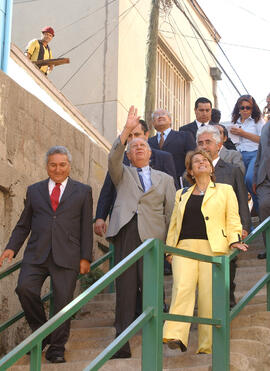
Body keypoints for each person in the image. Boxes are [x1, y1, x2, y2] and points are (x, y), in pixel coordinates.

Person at [0, 146, 93, 363]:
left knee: (63, 302)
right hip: (36, 254)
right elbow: (24, 224)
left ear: (69, 166)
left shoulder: (83, 191)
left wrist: (85, 257)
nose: (58, 169)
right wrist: (12, 247)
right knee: (24, 288)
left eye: (62, 164)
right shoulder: (34, 190)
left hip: (68, 255)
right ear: (47, 166)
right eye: (53, 165)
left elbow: (85, 228)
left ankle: (56, 349)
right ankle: (42, 332)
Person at [163, 149, 248, 354]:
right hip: (184, 248)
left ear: (211, 167)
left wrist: (234, 239)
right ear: (190, 171)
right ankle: (175, 334)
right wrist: (169, 250)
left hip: (214, 248)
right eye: (196, 161)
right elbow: (174, 224)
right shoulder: (181, 194)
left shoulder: (225, 190)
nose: (201, 163)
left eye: (205, 160)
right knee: (182, 288)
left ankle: (207, 346)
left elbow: (233, 218)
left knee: (209, 298)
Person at [107, 106, 175, 358]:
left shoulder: (165, 179)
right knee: (125, 287)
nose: (138, 149)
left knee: (152, 287)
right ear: (129, 154)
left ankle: (155, 337)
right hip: (127, 232)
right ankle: (121, 343)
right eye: (133, 147)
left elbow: (171, 212)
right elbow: (113, 157)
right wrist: (126, 130)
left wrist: (169, 245)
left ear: (150, 152)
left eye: (142, 146)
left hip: (154, 238)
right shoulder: (121, 173)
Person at [94, 119, 178, 238]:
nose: (133, 139)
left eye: (137, 135)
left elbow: (170, 203)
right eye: (129, 136)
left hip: (154, 229)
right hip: (125, 227)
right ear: (128, 155)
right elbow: (108, 189)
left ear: (146, 136)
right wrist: (100, 216)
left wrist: (171, 240)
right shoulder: (120, 163)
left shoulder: (164, 163)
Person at [196, 126, 251, 307]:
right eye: (200, 143)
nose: (204, 146)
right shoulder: (190, 172)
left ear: (219, 145)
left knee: (227, 271)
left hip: (227, 232)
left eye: (208, 142)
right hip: (200, 233)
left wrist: (244, 227)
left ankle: (227, 307)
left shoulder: (232, 170)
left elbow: (242, 200)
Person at [230, 95, 264, 213]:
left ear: (253, 108)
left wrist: (243, 133)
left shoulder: (258, 120)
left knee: (250, 180)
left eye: (248, 107)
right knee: (239, 186)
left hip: (254, 153)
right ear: (238, 108)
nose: (245, 110)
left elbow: (262, 139)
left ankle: (259, 208)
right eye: (242, 107)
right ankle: (246, 219)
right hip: (239, 154)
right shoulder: (235, 121)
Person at [148, 109, 195, 187]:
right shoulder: (148, 142)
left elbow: (193, 158)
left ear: (170, 120)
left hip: (179, 184)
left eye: (163, 114)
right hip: (154, 186)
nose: (160, 116)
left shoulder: (185, 136)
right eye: (156, 116)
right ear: (153, 123)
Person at [253, 99, 270, 259]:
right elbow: (259, 154)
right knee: (264, 207)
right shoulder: (265, 127)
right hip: (265, 178)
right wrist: (255, 177)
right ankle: (268, 248)